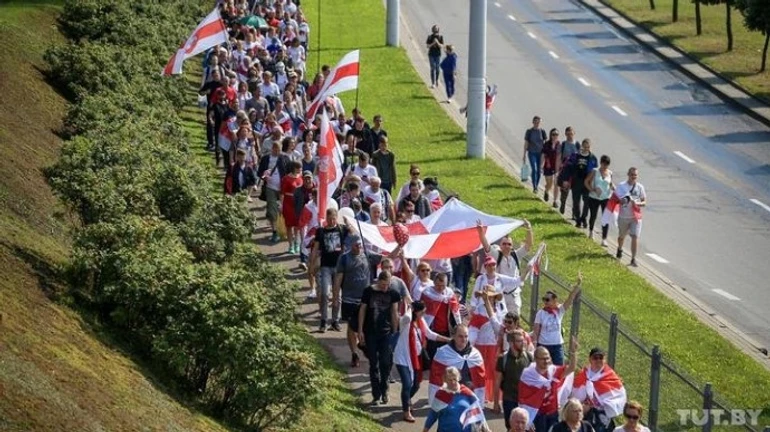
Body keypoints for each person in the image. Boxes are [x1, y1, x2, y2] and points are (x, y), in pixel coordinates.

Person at [394, 300, 451, 422]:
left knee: (416, 385)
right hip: (402, 358)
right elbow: (407, 317)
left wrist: (448, 340)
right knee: (407, 383)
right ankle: (406, 411)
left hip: (416, 357)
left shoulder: (420, 321)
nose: (423, 314)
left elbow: (430, 334)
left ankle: (407, 400)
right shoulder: (406, 322)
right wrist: (410, 307)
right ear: (415, 311)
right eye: (422, 312)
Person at [358, 271, 401, 405]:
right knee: (373, 363)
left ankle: (385, 390)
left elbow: (394, 312)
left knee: (385, 363)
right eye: (382, 285)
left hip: (386, 332)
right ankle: (376, 393)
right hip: (370, 331)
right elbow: (363, 310)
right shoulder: (368, 291)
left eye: (387, 285)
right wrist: (360, 330)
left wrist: (395, 332)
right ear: (378, 281)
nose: (384, 288)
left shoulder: (393, 293)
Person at [518, 338, 579, 432]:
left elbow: (571, 368)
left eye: (548, 358)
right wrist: (527, 419)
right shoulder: (527, 376)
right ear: (535, 359)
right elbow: (522, 400)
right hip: (536, 415)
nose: (546, 361)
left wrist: (573, 352)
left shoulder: (553, 371)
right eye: (543, 358)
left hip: (552, 414)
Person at [476, 219, 533, 315]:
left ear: (512, 246)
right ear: (500, 245)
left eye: (509, 244)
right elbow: (486, 246)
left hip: (514, 295)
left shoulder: (516, 255)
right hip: (500, 295)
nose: (507, 246)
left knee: (514, 320)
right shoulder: (497, 255)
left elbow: (528, 245)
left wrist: (529, 229)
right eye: (504, 244)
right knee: (501, 320)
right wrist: (481, 233)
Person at [309, 208, 351, 333]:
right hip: (325, 266)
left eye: (334, 218)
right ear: (326, 219)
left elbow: (353, 235)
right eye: (330, 219)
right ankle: (323, 320)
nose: (332, 221)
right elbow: (316, 248)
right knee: (325, 293)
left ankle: (335, 320)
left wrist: (347, 223)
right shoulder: (320, 231)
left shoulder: (342, 229)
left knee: (337, 295)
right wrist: (312, 263)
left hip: (339, 267)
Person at [336, 234, 374, 367]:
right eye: (356, 245)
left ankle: (363, 345)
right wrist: (336, 297)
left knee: (364, 326)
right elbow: (338, 279)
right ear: (350, 246)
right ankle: (354, 353)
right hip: (349, 299)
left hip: (365, 300)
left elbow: (388, 257)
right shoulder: (344, 258)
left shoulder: (368, 255)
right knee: (351, 327)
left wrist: (400, 246)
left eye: (360, 245)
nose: (359, 247)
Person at [532, 272, 582, 366]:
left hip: (557, 346)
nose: (545, 302)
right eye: (544, 299)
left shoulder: (559, 311)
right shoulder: (541, 313)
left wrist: (577, 286)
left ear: (554, 300)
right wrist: (534, 347)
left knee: (558, 370)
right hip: (543, 345)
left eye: (547, 300)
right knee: (544, 370)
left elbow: (570, 299)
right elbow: (535, 332)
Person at [572, 347, 627, 432]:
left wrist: (605, 404)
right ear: (590, 359)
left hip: (603, 414)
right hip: (585, 412)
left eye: (600, 358)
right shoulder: (583, 374)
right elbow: (575, 393)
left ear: (604, 360)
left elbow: (620, 395)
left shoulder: (610, 375)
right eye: (595, 358)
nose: (598, 360)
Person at [429, 324, 486, 403]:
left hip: (468, 395)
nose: (464, 339)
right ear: (454, 336)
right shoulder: (443, 353)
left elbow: (480, 380)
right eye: (460, 336)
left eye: (466, 336)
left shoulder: (475, 354)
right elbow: (435, 380)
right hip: (449, 395)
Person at [423, 367, 486, 432]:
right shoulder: (440, 395)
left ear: (458, 378)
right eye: (450, 380)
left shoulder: (467, 393)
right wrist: (425, 430)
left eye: (455, 379)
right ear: (444, 380)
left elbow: (479, 413)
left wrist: (486, 429)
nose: (453, 382)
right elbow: (433, 415)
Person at [494, 329, 534, 429]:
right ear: (511, 343)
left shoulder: (529, 357)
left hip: (526, 401)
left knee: (526, 427)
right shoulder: (502, 359)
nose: (523, 343)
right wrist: (495, 403)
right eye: (519, 341)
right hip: (509, 399)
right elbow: (497, 382)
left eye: (523, 340)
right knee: (511, 427)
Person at [612, 167, 647, 267]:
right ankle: (619, 249)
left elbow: (644, 202)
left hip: (635, 217)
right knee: (621, 237)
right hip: (623, 217)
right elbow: (615, 199)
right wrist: (621, 201)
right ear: (628, 174)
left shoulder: (640, 187)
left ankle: (633, 259)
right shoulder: (622, 186)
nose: (633, 177)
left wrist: (638, 203)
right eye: (632, 174)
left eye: (635, 175)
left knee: (635, 236)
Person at [257, 140, 290, 243]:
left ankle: (283, 231)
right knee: (272, 211)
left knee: (283, 210)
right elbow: (260, 173)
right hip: (270, 187)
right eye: (275, 149)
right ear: (272, 148)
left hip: (282, 189)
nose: (277, 151)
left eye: (279, 149)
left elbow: (289, 172)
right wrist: (264, 176)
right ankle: (275, 232)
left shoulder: (285, 158)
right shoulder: (266, 159)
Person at [564, 139, 598, 227]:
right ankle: (578, 219)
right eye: (585, 147)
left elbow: (595, 172)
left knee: (587, 202)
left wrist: (594, 184)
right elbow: (568, 168)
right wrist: (566, 180)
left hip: (587, 182)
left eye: (588, 147)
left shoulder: (593, 158)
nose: (586, 149)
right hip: (576, 182)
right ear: (582, 146)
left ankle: (584, 218)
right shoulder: (575, 156)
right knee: (576, 202)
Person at [584, 155, 614, 245]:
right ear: (601, 163)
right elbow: (586, 182)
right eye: (604, 164)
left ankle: (604, 238)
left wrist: (615, 189)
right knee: (593, 215)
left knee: (605, 218)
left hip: (606, 198)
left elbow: (611, 184)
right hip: (594, 197)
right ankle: (591, 231)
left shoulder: (610, 173)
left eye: (607, 165)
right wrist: (592, 189)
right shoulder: (595, 171)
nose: (605, 166)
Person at [280, 161, 303, 254]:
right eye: (298, 168)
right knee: (289, 226)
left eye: (301, 168)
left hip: (298, 204)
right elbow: (282, 193)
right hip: (288, 203)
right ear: (294, 168)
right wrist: (281, 205)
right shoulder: (286, 178)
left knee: (297, 226)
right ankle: (290, 245)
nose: (300, 170)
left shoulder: (301, 178)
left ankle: (297, 243)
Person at [556, 126, 580, 213]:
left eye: (571, 134)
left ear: (574, 134)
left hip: (575, 172)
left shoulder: (577, 145)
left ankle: (574, 212)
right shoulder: (563, 145)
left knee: (575, 192)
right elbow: (559, 157)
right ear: (565, 134)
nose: (570, 136)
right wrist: (557, 170)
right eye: (568, 134)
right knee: (564, 190)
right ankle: (563, 203)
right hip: (565, 171)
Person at [523, 116, 547, 194]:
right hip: (531, 152)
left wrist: (546, 154)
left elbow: (545, 143)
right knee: (534, 169)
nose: (537, 124)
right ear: (533, 122)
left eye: (538, 122)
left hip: (540, 154)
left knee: (539, 170)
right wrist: (524, 154)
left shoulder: (542, 131)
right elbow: (526, 143)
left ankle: (536, 183)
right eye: (536, 122)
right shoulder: (529, 131)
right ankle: (535, 187)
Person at [542, 128, 561, 205]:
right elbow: (543, 155)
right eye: (553, 134)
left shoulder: (560, 145)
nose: (555, 136)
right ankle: (546, 191)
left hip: (556, 167)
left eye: (556, 134)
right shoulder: (547, 144)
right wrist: (541, 164)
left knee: (556, 184)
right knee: (549, 184)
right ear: (550, 135)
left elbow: (561, 156)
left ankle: (555, 201)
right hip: (548, 166)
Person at [426, 24, 444, 89]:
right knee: (432, 68)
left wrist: (437, 42)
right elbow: (427, 46)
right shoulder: (430, 37)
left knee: (437, 68)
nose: (435, 30)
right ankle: (433, 83)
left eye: (436, 29)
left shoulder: (440, 37)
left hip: (438, 54)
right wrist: (433, 43)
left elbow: (442, 46)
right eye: (434, 29)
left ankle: (437, 80)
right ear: (432, 30)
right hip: (431, 54)